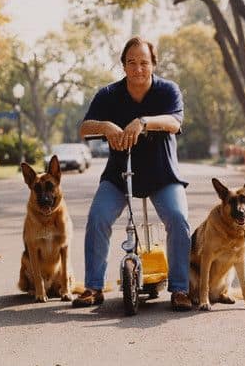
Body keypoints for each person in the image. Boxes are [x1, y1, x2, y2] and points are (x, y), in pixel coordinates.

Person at [72, 36, 192, 311]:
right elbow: (84, 128)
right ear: (123, 65)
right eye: (132, 62)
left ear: (153, 65)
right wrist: (106, 126)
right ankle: (93, 287)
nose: (138, 68)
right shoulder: (108, 94)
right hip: (120, 174)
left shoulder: (167, 90)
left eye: (144, 63)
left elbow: (174, 122)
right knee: (98, 217)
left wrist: (143, 122)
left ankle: (180, 289)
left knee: (178, 218)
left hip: (162, 173)